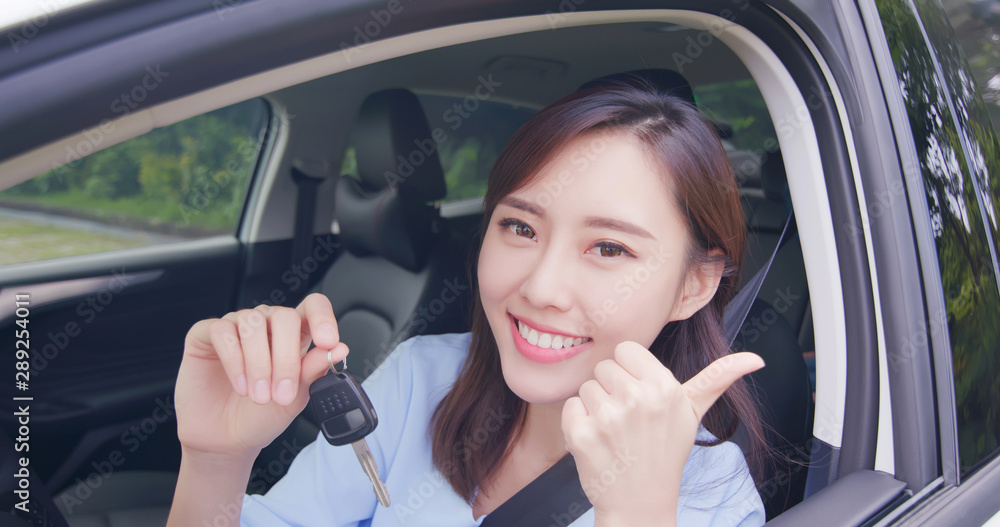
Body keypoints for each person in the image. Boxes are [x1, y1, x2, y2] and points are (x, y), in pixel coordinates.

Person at [167, 79, 768, 527]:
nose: (539, 289)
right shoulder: (418, 379)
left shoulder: (711, 495)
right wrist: (217, 459)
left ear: (694, 285)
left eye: (608, 248)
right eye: (522, 229)